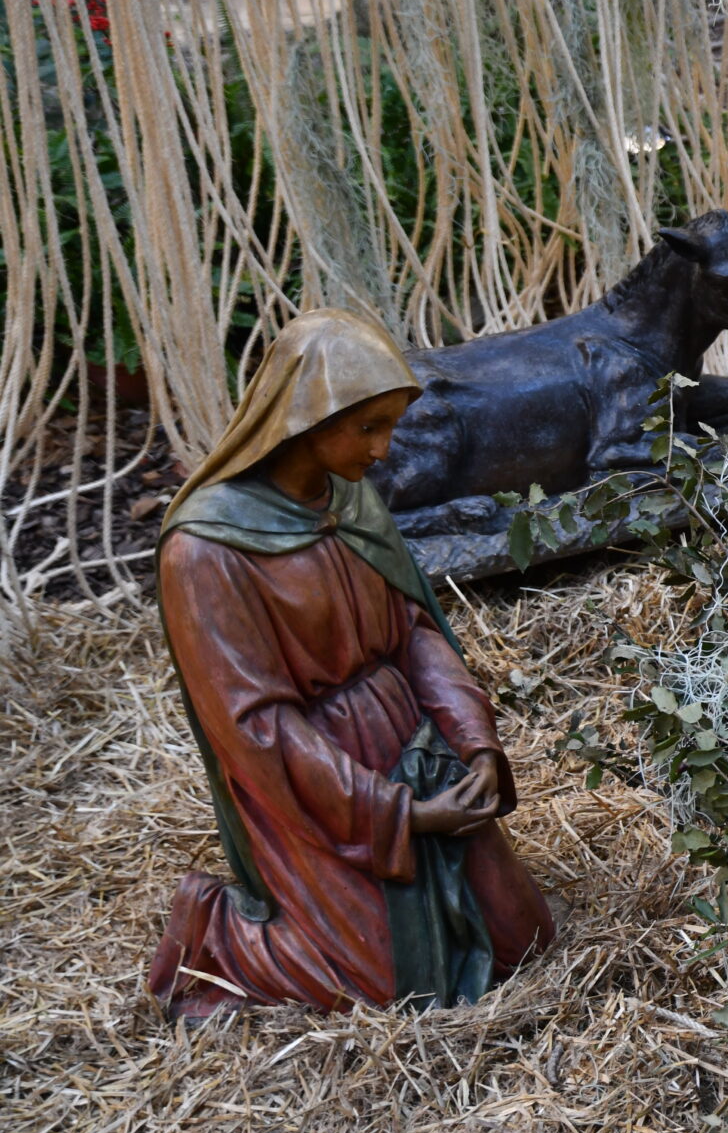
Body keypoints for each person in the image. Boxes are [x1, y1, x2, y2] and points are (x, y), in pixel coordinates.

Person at [147, 309, 556, 1019]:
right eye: (369, 427)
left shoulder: (350, 501)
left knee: (524, 941)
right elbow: (258, 729)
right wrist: (397, 813)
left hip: (412, 746)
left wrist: (473, 741)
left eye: (390, 425)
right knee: (386, 988)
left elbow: (413, 632)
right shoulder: (206, 552)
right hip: (312, 790)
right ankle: (219, 930)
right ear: (304, 418)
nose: (386, 450)